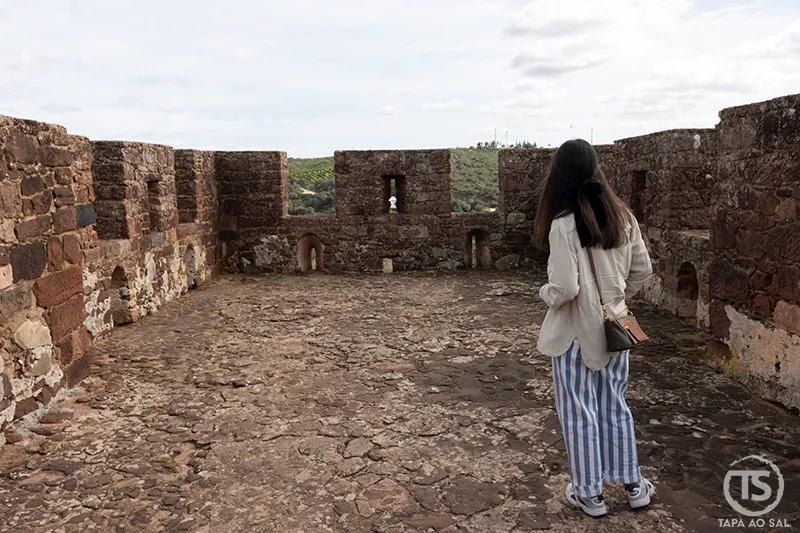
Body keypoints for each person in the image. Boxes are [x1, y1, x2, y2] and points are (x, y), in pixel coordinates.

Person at [534, 139, 655, 517]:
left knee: (579, 411)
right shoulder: (623, 217)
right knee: (615, 405)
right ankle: (634, 485)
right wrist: (616, 300)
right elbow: (642, 271)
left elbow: (566, 288)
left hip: (574, 334)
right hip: (617, 327)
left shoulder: (563, 224)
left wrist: (545, 293)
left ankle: (590, 492)